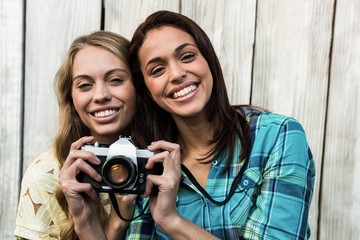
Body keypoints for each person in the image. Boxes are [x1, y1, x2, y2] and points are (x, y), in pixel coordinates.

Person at [70, 10, 316, 240]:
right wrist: (85, 220)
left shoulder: (277, 136)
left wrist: (171, 221)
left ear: (208, 59)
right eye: (157, 70)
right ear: (146, 89)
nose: (176, 74)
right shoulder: (150, 163)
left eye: (187, 56)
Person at [14, 30, 137, 240]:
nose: (100, 96)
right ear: (71, 99)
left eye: (115, 80)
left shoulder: (164, 163)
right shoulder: (47, 175)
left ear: (139, 87)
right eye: (85, 85)